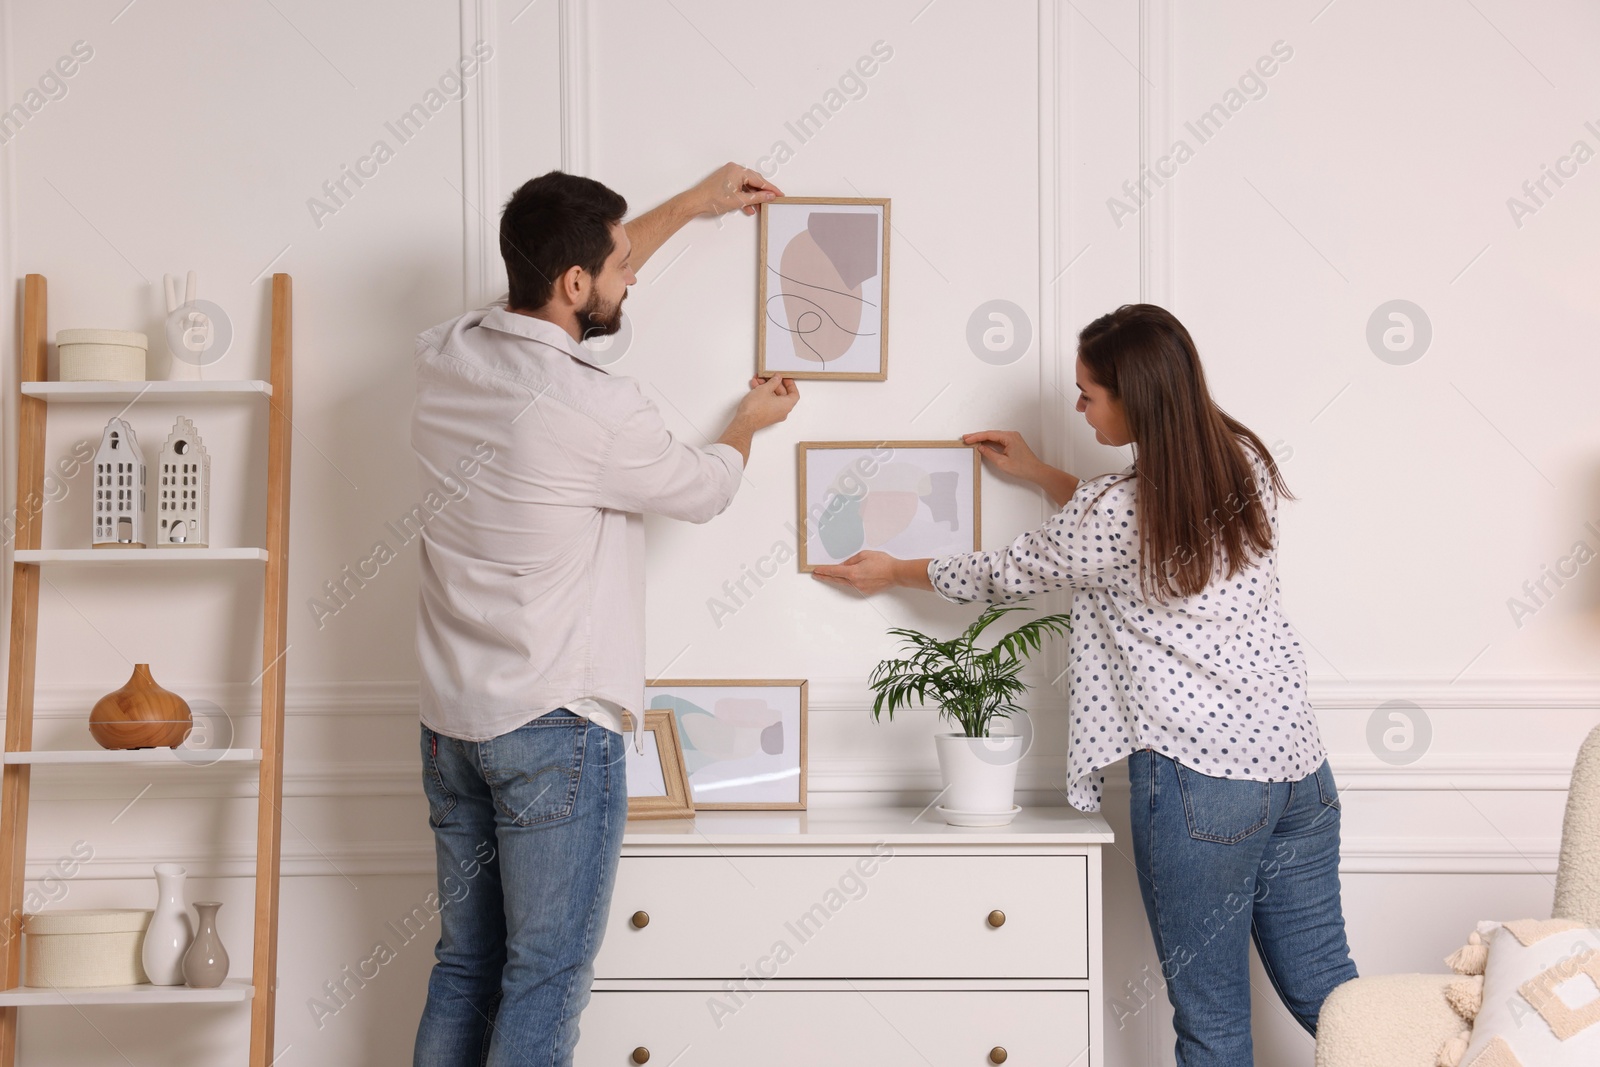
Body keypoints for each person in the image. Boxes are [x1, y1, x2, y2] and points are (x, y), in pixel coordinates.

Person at [811, 303, 1356, 1065]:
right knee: (1339, 998)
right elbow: (1137, 532)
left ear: (1136, 399)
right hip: (1300, 773)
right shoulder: (1243, 461)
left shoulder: (1114, 510)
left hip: (1202, 786)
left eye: (1089, 393)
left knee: (1214, 1021)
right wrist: (1039, 473)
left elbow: (1006, 570)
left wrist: (893, 569)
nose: (1079, 405)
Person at [408, 163, 800, 1067]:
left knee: (465, 965)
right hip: (553, 725)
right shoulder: (594, 407)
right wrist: (746, 421)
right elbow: (702, 489)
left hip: (450, 726)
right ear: (576, 283)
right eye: (620, 265)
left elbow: (559, 321)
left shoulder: (440, 357)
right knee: (544, 979)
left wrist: (691, 208)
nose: (631, 279)